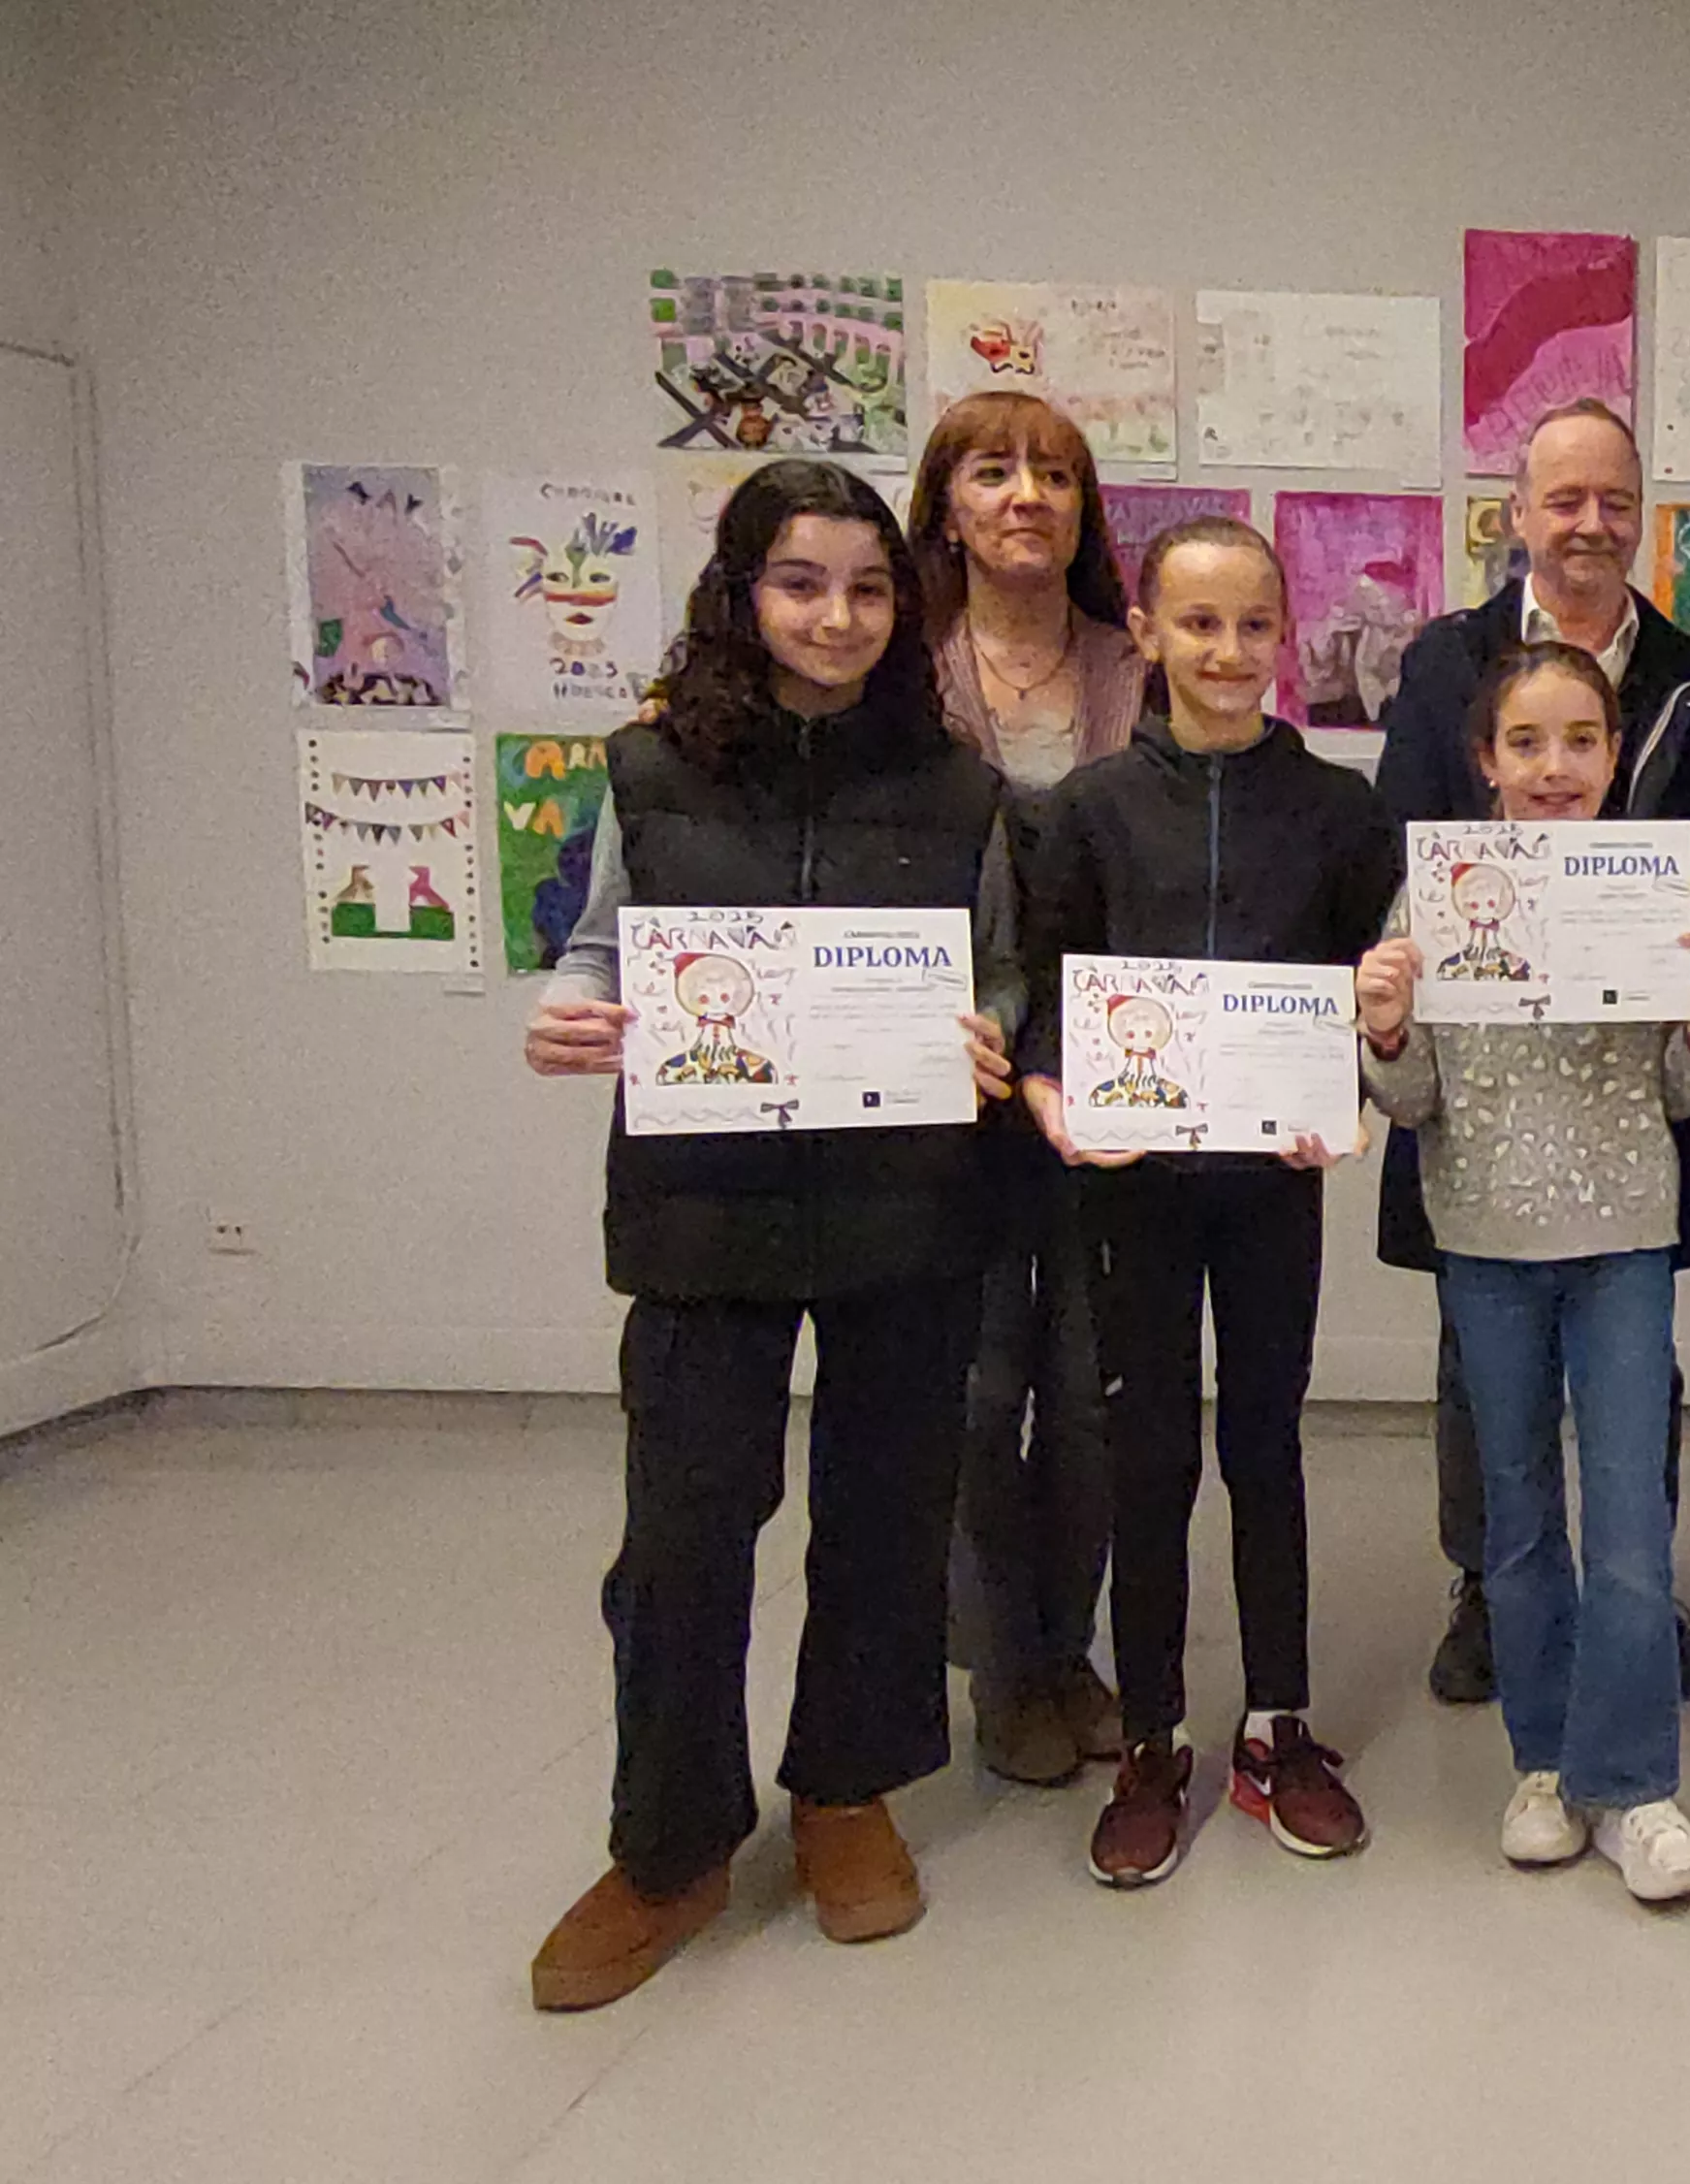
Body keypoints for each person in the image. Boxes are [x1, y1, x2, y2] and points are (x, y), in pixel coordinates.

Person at [519, 459, 1019, 2010]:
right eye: (802, 584)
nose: (839, 617)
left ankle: (845, 1792)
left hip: (901, 1203)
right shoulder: (655, 768)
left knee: (881, 1518)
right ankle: (668, 1844)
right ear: (742, 593)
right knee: (679, 1537)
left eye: (870, 588)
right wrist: (564, 1011)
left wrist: (990, 1035)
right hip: (701, 1209)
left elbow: (997, 971)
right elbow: (600, 943)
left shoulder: (956, 783)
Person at [1015, 517, 1402, 1887]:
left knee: (1266, 1444)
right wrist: (1056, 1096)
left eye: (1252, 625)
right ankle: (1154, 1736)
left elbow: (1369, 986)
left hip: (1271, 1187)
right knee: (1150, 1453)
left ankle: (1275, 1727)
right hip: (1136, 1187)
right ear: (1148, 632)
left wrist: (1359, 1065)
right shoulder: (1089, 811)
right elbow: (1050, 991)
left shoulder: (1341, 811)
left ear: (1284, 635)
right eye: (1198, 625)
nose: (1228, 652)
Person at [1373, 400, 1690, 1709]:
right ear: (1517, 512)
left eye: (1612, 500)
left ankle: (1636, 1590)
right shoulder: (1445, 663)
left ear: (1636, 512)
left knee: (1636, 1353)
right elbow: (1407, 847)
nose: (1588, 523)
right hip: (1477, 1090)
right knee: (1478, 1357)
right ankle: (1491, 1584)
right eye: (1563, 498)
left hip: (1626, 1088)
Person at [1355, 643, 1690, 1903]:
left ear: (1613, 753)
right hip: (1485, 1243)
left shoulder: (1647, 888)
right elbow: (1409, 1105)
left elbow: (1687, 1089)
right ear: (1486, 760)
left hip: (1627, 1235)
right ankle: (1542, 1763)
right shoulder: (1434, 898)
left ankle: (1632, 1782)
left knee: (1629, 1526)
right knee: (1517, 1523)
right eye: (1527, 742)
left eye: (1581, 739)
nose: (1556, 766)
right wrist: (1389, 1027)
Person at [905, 390, 1148, 1788]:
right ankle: (998, 1664)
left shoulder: (1138, 661)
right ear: (946, 501)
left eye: (1053, 475)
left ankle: (1073, 1649)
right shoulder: (903, 672)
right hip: (948, 1078)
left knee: (1092, 1386)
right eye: (993, 473)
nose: (1025, 498)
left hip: (1116, 1075)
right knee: (980, 1387)